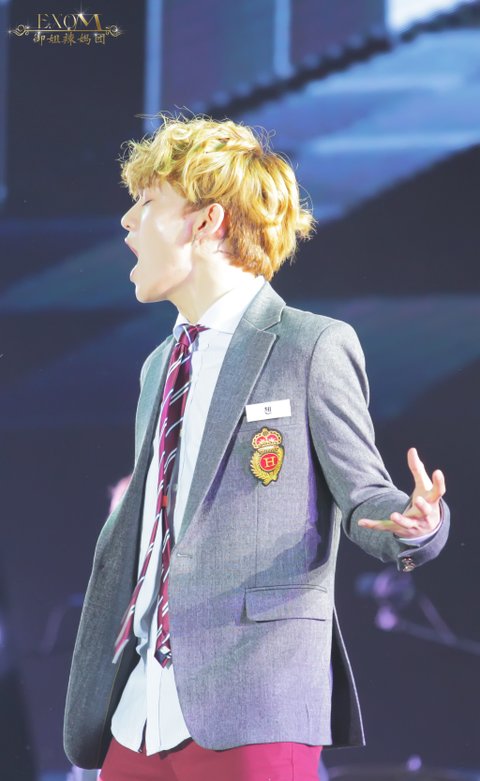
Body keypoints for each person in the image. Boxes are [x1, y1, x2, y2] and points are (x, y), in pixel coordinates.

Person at [63, 113, 450, 781]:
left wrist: (414, 523)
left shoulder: (309, 345)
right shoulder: (158, 366)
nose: (127, 222)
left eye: (147, 202)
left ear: (206, 221)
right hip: (140, 706)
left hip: (252, 699)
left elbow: (365, 493)